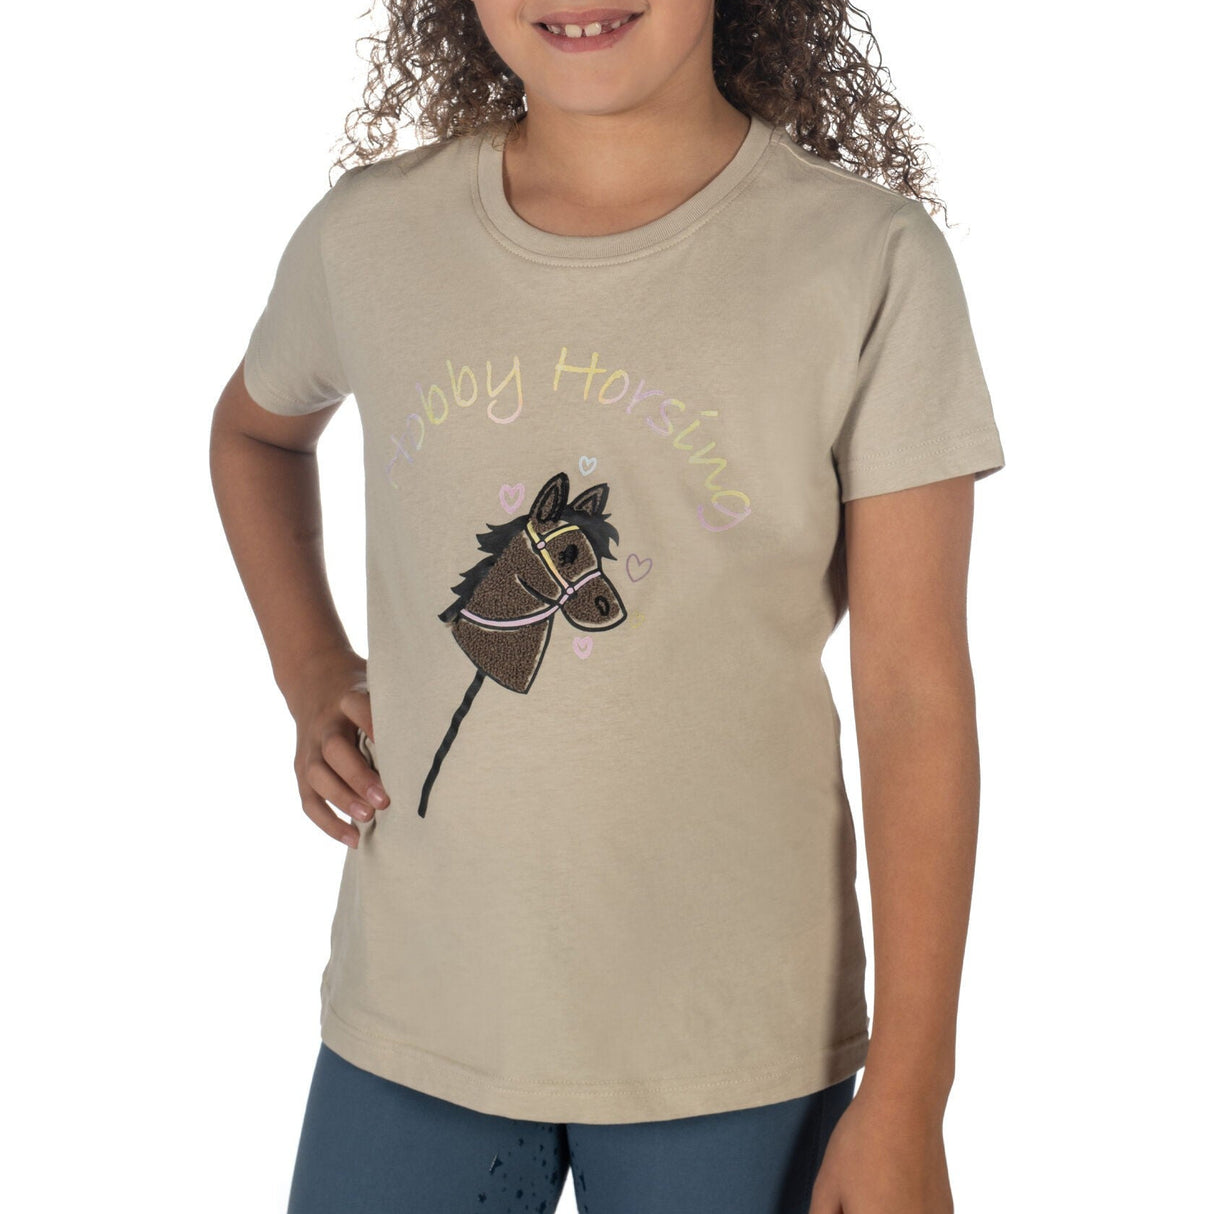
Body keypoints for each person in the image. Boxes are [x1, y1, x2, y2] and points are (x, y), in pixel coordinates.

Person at [210, 2, 1006, 1211]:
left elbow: (912, 697)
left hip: (739, 1050)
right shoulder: (372, 237)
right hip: (418, 1022)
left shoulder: (864, 262)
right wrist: (309, 662)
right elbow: (256, 434)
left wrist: (908, 1094)